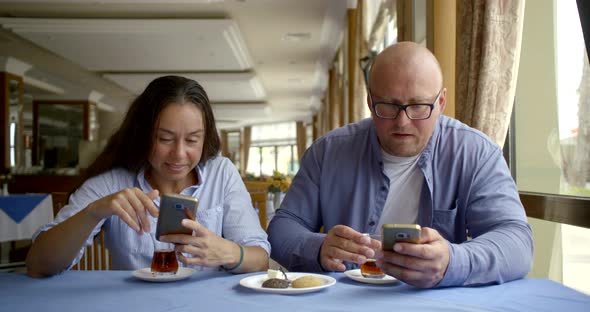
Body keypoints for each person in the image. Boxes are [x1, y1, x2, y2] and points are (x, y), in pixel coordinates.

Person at [267, 41, 533, 288]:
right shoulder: (327, 153)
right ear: (370, 102)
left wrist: (452, 260)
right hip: (346, 300)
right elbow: (282, 229)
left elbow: (517, 241)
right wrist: (319, 248)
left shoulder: (476, 153)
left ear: (440, 102)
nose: (402, 122)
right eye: (389, 106)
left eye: (418, 106)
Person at [26, 75, 270, 277]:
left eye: (193, 139)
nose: (179, 154)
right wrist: (94, 212)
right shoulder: (113, 181)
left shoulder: (222, 173)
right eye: (164, 139)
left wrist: (229, 253)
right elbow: (38, 265)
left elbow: (260, 259)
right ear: (142, 134)